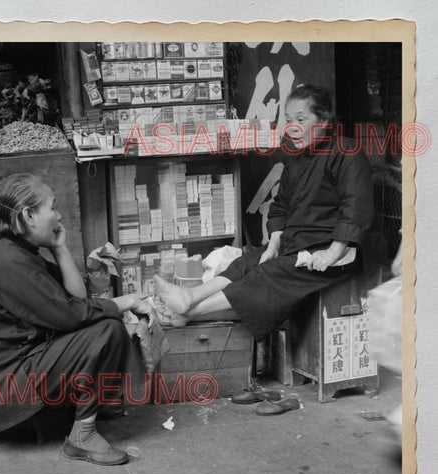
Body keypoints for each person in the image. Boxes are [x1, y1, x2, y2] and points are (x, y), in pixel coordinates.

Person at [154, 84, 374, 348]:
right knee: (247, 262)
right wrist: (273, 244)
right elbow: (280, 206)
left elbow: (355, 207)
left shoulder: (347, 153)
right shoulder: (298, 159)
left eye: (301, 120)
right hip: (297, 245)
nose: (293, 127)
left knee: (267, 276)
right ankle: (190, 296)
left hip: (331, 251)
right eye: (289, 120)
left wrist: (332, 253)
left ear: (324, 120)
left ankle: (186, 312)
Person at [0, 173, 154, 466]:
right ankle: (82, 436)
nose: (58, 215)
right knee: (107, 330)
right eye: (51, 207)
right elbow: (70, 315)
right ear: (28, 215)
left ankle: (88, 412)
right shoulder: (8, 262)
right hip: (4, 389)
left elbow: (75, 300)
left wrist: (60, 249)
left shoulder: (18, 252)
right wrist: (125, 301)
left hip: (16, 371)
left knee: (103, 323)